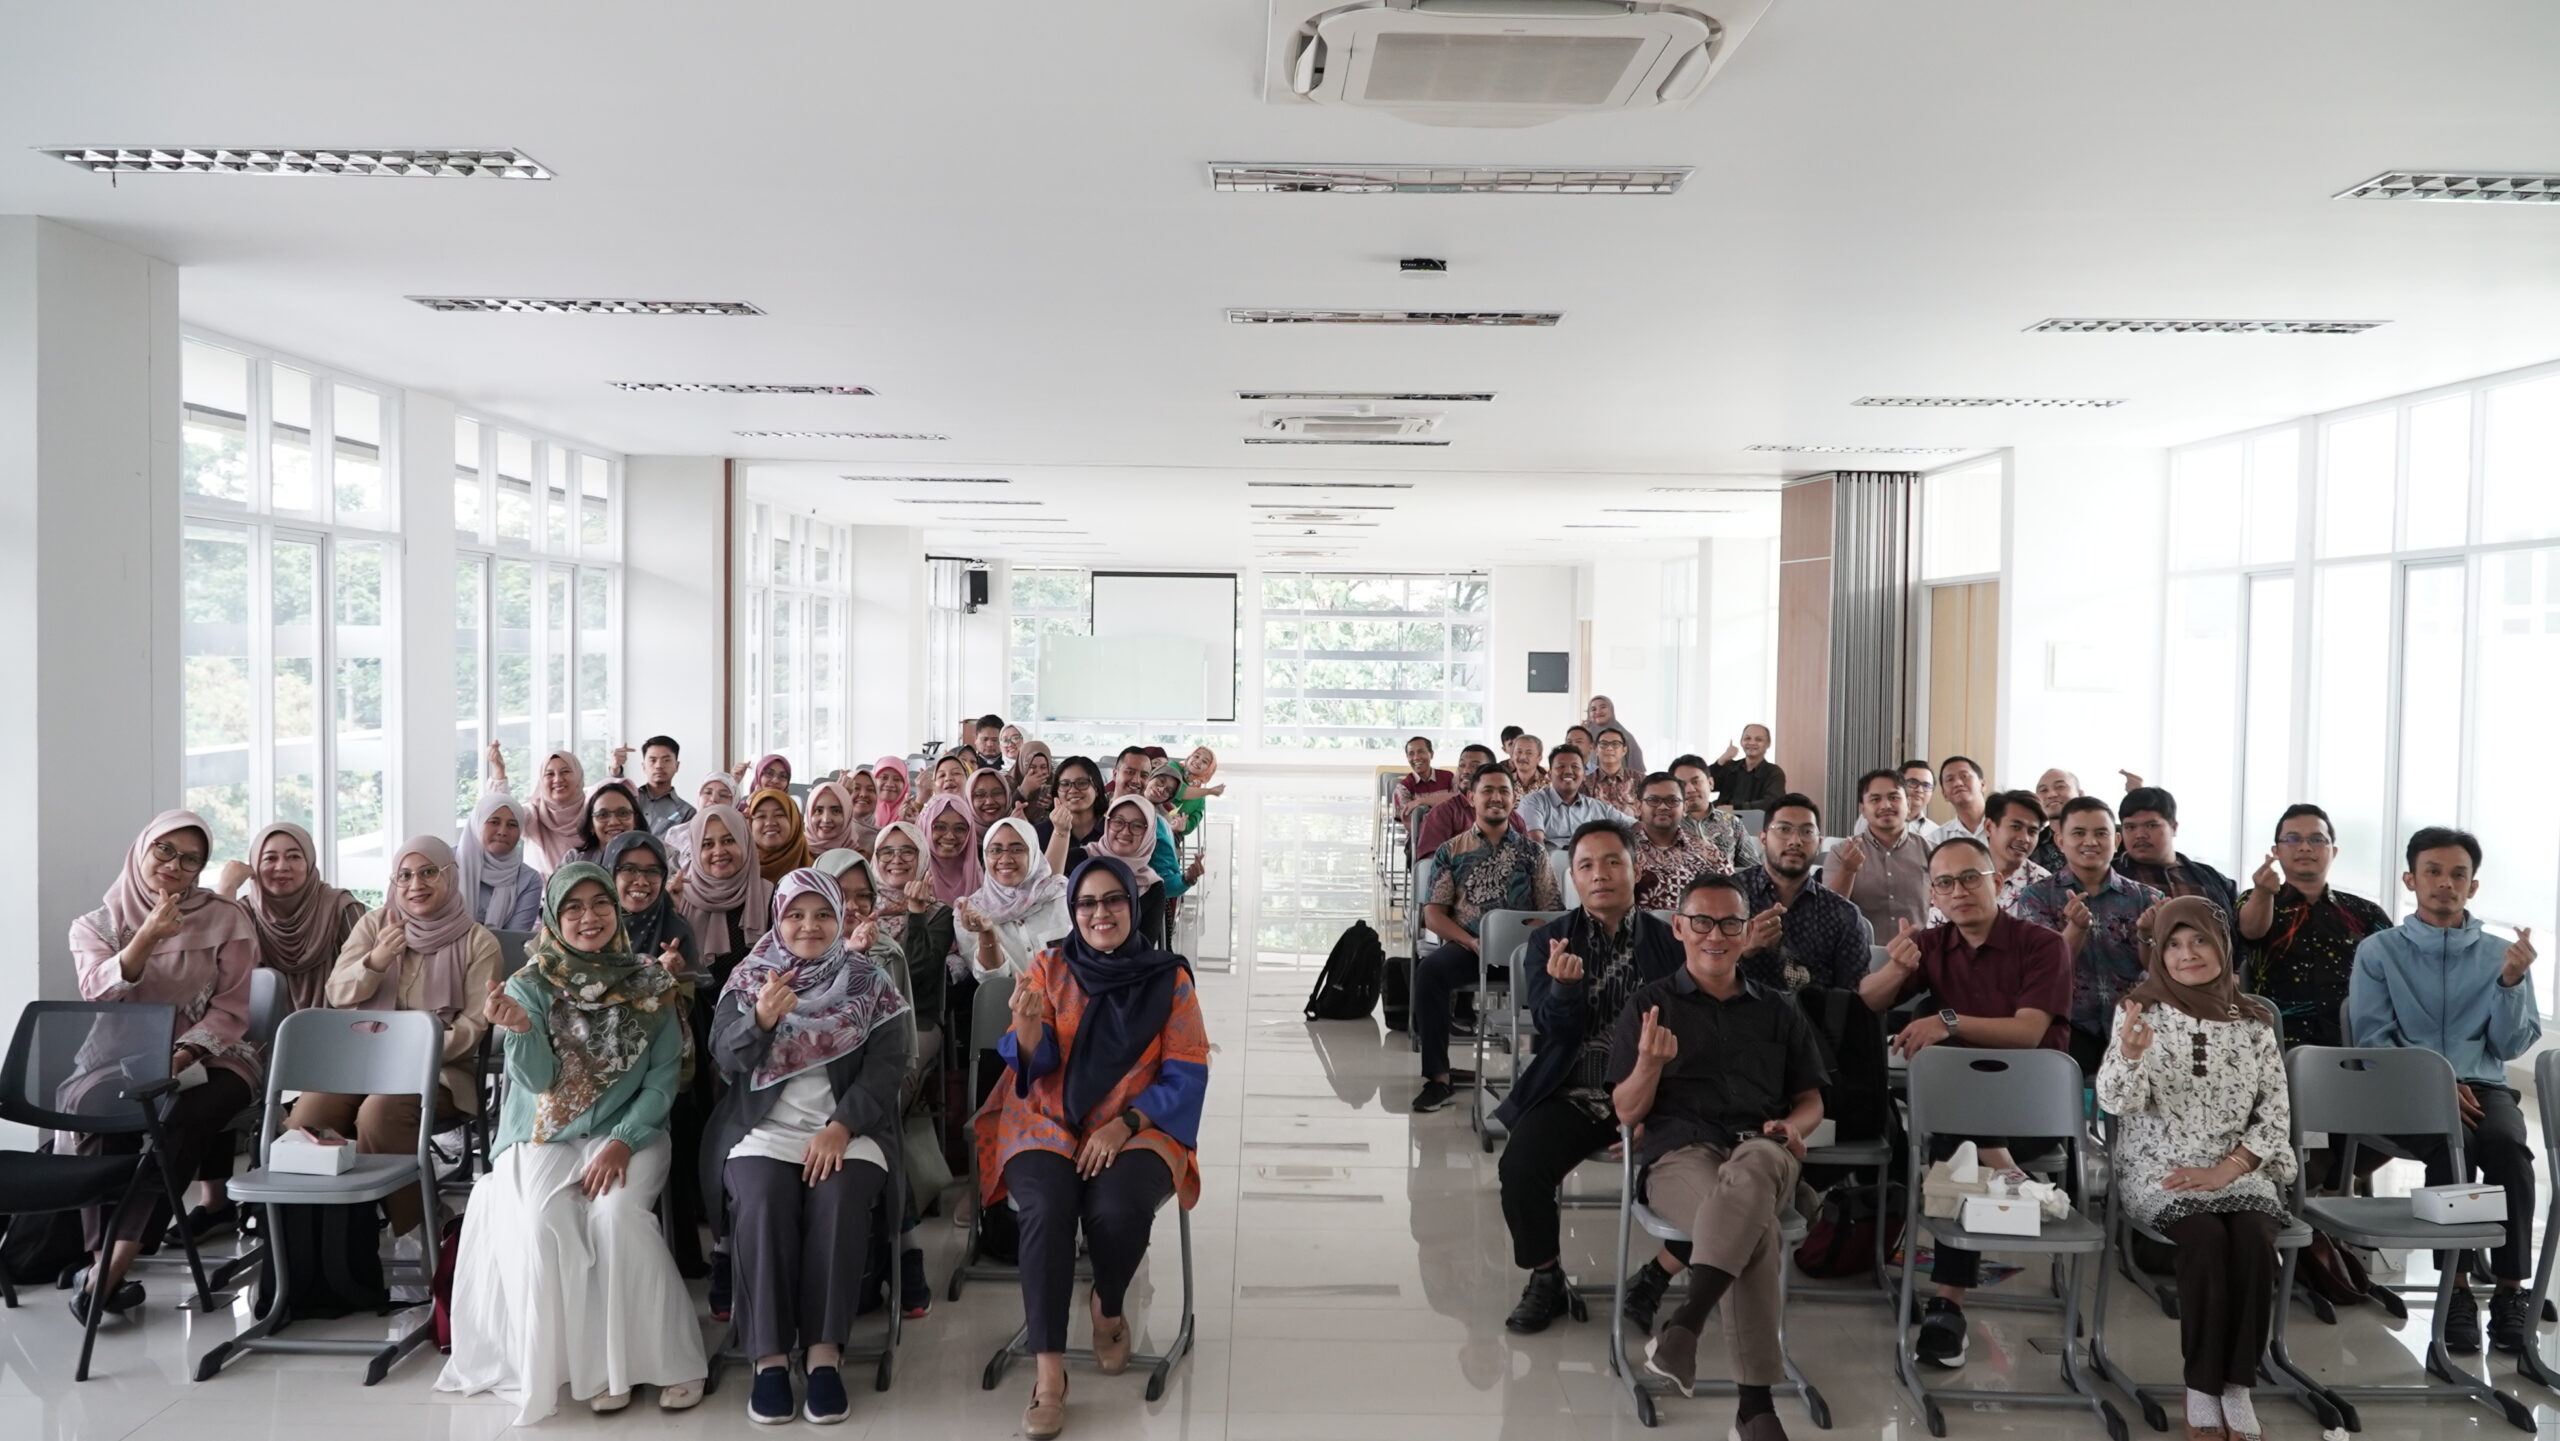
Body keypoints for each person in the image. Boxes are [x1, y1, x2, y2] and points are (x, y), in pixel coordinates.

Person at [438, 862, 706, 1421]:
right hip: (545, 1133)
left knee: (616, 1218)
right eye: (573, 908)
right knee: (545, 1223)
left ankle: (676, 1361)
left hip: (630, 1131)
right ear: (555, 918)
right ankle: (597, 1370)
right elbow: (537, 1084)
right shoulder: (530, 984)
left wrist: (624, 1141)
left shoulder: (651, 984)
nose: (590, 918)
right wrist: (519, 1028)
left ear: (616, 907)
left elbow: (662, 1083)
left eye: (600, 904)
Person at [972, 856, 1210, 1441]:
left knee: (1117, 1206)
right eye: (1087, 904)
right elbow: (1036, 1062)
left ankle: (1107, 1305)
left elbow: (1186, 1072)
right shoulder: (1050, 967)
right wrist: (1026, 1030)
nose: (1100, 913)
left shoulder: (1169, 980)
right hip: (1046, 1118)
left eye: (1113, 901)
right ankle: (1049, 1376)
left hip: (1140, 1121)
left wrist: (1124, 1124)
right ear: (1073, 911)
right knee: (1049, 1211)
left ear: (1133, 903)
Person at [1614, 874, 1828, 1441]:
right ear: (1679, 928)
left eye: (1731, 923)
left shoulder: (1778, 1009)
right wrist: (1649, 1066)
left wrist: (1792, 1126)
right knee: (1753, 1231)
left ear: (1746, 930)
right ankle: (1754, 1408)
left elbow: (1811, 1101)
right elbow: (1629, 1113)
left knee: (1756, 1167)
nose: (1717, 935)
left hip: (1764, 1146)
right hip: (1680, 1154)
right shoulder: (1650, 1005)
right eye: (1702, 922)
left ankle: (1687, 1321)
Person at [705, 868, 913, 1427]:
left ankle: (824, 1356)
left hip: (850, 1130)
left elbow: (889, 1067)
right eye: (795, 914)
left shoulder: (869, 981)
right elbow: (726, 1059)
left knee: (839, 1199)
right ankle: (769, 1360)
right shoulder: (750, 980)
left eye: (822, 913)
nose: (809, 926)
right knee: (765, 1201)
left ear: (840, 918)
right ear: (778, 918)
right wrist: (763, 1019)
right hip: (765, 1132)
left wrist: (842, 1126)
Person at [1858, 836, 2074, 1370]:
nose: (1959, 892)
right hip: (1962, 1117)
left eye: (1971, 878)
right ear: (1934, 893)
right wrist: (1895, 966)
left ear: (1996, 882)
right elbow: (1869, 1000)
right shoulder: (1933, 945)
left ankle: (1947, 1302)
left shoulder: (2043, 945)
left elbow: (2028, 1033)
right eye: (1945, 883)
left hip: (2029, 1111)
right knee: (1952, 1130)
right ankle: (1998, 1178)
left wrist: (1947, 1021)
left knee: (1953, 1140)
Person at [2098, 897, 2296, 1441]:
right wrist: (2131, 1056)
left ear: (2223, 945)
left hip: (2239, 1167)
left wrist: (2229, 1168)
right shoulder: (2138, 1009)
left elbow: (2276, 1111)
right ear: (2158, 952)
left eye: (2200, 941)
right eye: (2175, 944)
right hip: (2160, 1166)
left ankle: (2238, 1385)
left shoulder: (2255, 1019)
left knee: (2255, 1238)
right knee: (2205, 1239)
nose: (2188, 954)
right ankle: (2203, 1386)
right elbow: (2114, 1103)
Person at [2349, 826, 2541, 1356]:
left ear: (2472, 887)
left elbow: (2506, 1046)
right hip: (2405, 1084)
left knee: (2507, 1149)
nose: (2445, 884)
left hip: (2483, 1084)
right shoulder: (2378, 950)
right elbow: (2371, 1036)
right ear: (2411, 879)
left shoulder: (2503, 953)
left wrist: (2509, 984)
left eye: (2459, 874)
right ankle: (2454, 1290)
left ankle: (2509, 1292)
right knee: (2452, 1149)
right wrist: (2433, 1080)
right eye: (2433, 872)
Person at [66, 812, 260, 1321]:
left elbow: (232, 1008)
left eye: (190, 858)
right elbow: (99, 992)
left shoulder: (226, 918)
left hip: (213, 1056)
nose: (176, 866)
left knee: (177, 1115)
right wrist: (147, 935)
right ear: (142, 851)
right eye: (165, 852)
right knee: (94, 1108)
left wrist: (186, 1052)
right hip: (117, 1056)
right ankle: (102, 1261)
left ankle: (109, 1269)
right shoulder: (95, 925)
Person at [1492, 821, 1683, 1334]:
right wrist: (1562, 991)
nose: (1601, 875)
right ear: (1572, 877)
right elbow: (1554, 1034)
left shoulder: (1671, 942)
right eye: (1587, 865)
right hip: (1576, 1091)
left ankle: (1657, 1277)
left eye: (1613, 862)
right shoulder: (1549, 942)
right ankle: (1546, 1276)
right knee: (1520, 1169)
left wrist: (1650, 1111)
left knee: (1721, 1176)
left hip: (1657, 1095)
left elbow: (1688, 1033)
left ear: (1635, 869)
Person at [288, 835, 498, 1237]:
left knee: (379, 1116)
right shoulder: (374, 925)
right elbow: (337, 993)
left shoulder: (477, 941)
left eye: (428, 873)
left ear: (450, 877)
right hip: (359, 1066)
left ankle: (418, 1228)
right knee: (308, 1119)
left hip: (436, 1073)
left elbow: (473, 1028)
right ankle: (334, 1242)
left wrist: (408, 1056)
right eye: (404, 875)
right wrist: (376, 961)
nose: (415, 885)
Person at [1412, 764, 1561, 1115]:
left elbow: (1552, 911)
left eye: (1504, 791)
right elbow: (1434, 914)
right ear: (1471, 798)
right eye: (1488, 791)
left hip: (1524, 952)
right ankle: (1438, 1077)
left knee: (1568, 976)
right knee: (1430, 972)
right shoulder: (1452, 851)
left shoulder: (1533, 853)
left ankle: (1551, 1075)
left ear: (1514, 799)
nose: (1496, 798)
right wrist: (1472, 942)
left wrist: (1521, 935)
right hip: (1471, 948)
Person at [606, 829, 710, 1275]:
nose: (640, 881)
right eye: (628, 869)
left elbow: (683, 1016)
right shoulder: (591, 926)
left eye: (652, 871)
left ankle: (676, 1255)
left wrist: (668, 981)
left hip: (661, 1067)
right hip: (597, 1069)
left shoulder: (674, 930)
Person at [2013, 798, 2165, 1071]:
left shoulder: (2148, 898)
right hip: (2069, 1027)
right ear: (2060, 841)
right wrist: (2076, 929)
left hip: (2135, 1025)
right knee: (2067, 1107)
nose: (2090, 841)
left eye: (2101, 833)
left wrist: (2146, 933)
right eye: (2079, 833)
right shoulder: (2037, 897)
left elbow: (2160, 972)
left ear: (2116, 840)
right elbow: (2048, 972)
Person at [2237, 804, 2391, 1049]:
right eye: (2293, 839)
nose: (2305, 847)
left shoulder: (2365, 912)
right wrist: (2263, 892)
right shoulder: (2256, 899)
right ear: (2276, 851)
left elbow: (2393, 973)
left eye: (2317, 839)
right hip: (2276, 1043)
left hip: (2356, 1041)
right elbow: (2251, 931)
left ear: (2334, 851)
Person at [213, 820, 366, 1013]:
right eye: (270, 858)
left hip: (337, 1031)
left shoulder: (341, 908)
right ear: (254, 866)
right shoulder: (244, 913)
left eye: (294, 856)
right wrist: (226, 889)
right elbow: (214, 975)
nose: (282, 867)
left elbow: (364, 977)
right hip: (256, 1037)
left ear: (309, 863)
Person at [1732, 795, 1874, 993]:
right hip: (1737, 1017)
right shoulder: (1728, 897)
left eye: (1807, 832)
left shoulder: (1843, 914)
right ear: (1763, 838)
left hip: (1813, 1020)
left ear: (1819, 842)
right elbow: (1698, 972)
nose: (1795, 841)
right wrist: (1745, 948)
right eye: (1784, 829)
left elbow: (1851, 998)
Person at [1823, 769, 1932, 938]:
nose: (1885, 805)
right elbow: (1830, 912)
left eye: (1894, 797)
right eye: (1875, 799)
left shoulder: (1930, 851)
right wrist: (1848, 870)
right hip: (1862, 956)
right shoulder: (1841, 852)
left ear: (1908, 804)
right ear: (1863, 809)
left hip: (1922, 953)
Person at [675, 804, 774, 989]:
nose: (719, 851)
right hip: (693, 1012)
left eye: (729, 840)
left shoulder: (770, 897)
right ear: (695, 850)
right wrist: (671, 911)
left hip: (754, 1010)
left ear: (745, 842)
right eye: (707, 844)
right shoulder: (680, 896)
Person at [960, 817, 1072, 978]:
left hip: (1068, 1001)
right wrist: (987, 935)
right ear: (985, 856)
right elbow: (991, 981)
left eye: (1017, 849)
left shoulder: (1062, 895)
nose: (1005, 859)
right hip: (1008, 1002)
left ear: (1033, 852)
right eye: (996, 850)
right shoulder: (971, 912)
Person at [2116, 787, 2240, 920]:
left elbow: (2244, 931)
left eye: (2151, 825)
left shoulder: (2213, 878)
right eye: (2130, 827)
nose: (2140, 835)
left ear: (2174, 828)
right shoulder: (2110, 878)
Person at [1634, 771, 1732, 909]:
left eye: (1672, 801)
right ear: (1638, 807)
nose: (1663, 807)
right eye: (1654, 800)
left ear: (1685, 807)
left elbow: (1730, 898)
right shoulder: (1622, 851)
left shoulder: (1708, 854)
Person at [1949, 790, 2050, 918]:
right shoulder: (1957, 874)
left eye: (2032, 831)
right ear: (1989, 827)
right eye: (2015, 827)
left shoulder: (2045, 884)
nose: (2025, 839)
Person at [1091, 794, 1174, 947]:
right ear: (1107, 823)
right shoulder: (1079, 861)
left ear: (1149, 833)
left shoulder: (1151, 886)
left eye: (1137, 826)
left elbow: (1143, 948)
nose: (1125, 832)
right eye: (1118, 822)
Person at [1412, 745, 1524, 856]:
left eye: (1475, 766)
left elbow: (1530, 858)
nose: (1466, 771)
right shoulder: (1443, 813)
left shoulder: (1513, 817)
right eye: (1461, 765)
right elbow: (1430, 863)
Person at [458, 787, 544, 931]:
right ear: (477, 823)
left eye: (512, 825)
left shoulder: (529, 879)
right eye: (494, 822)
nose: (503, 831)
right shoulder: (448, 863)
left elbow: (514, 939)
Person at [499, 747, 589, 872]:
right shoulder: (532, 814)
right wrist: (499, 774)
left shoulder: (594, 813)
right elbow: (504, 814)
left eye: (565, 772)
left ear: (579, 776)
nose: (558, 779)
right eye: (550, 774)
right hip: (539, 891)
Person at [1518, 743, 1621, 850]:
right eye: (1561, 766)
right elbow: (1535, 844)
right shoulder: (1533, 802)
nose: (1568, 771)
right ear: (1549, 774)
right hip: (1551, 863)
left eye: (1575, 766)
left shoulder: (1597, 807)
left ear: (1584, 773)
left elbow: (1632, 825)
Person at [1671, 753, 1758, 868]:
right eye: (1681, 784)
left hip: (1726, 883)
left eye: (1696, 781)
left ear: (1710, 783)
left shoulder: (1732, 823)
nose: (1690, 789)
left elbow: (1754, 871)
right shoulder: (1667, 825)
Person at [613, 735, 697, 839]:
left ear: (677, 766)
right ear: (643, 766)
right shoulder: (629, 798)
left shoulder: (687, 812)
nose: (659, 766)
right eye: (653, 760)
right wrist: (615, 769)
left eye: (666, 760)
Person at [1042, 755, 1107, 874]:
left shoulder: (1111, 831)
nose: (1073, 790)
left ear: (1096, 789)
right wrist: (1060, 831)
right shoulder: (1040, 833)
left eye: (1082, 783)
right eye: (1065, 784)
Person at [565, 778, 643, 867]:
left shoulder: (655, 858)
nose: (614, 822)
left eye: (623, 813)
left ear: (635, 819)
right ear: (591, 824)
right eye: (603, 815)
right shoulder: (573, 861)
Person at [1708, 725, 1786, 814]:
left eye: (1758, 739)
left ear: (1768, 744)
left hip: (1757, 824)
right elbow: (1706, 785)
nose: (1752, 743)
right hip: (1723, 823)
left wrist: (1735, 808)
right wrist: (1721, 760)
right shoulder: (1730, 767)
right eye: (1747, 738)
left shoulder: (1774, 772)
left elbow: (1772, 802)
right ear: (1741, 742)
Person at [746, 787, 813, 885]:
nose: (769, 823)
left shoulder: (816, 871)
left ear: (794, 822)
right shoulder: (738, 870)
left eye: (779, 815)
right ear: (750, 823)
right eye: (761, 816)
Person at [1392, 735, 1456, 827]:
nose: (1416, 757)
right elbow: (1409, 824)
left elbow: (1459, 801)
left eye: (1421, 752)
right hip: (1420, 837)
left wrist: (1420, 802)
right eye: (1411, 754)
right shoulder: (1403, 787)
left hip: (1451, 834)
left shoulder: (1449, 777)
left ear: (1432, 754)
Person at [1926, 757, 1989, 846]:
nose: (1957, 783)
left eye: (1964, 776)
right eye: (1950, 779)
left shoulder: (2003, 826)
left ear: (1982, 785)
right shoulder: (1936, 840)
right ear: (1944, 794)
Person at [2030, 769, 2080, 874]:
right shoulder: (2033, 843)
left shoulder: (2108, 835)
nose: (2051, 795)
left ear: (2080, 794)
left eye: (2060, 787)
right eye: (2043, 790)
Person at [1586, 695, 1646, 776]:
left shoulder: (1626, 737)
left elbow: (1638, 773)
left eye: (1603, 707)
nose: (1598, 712)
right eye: (1593, 709)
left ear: (1611, 710)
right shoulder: (1583, 737)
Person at [1586, 727, 1642, 813]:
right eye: (1603, 744)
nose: (1609, 748)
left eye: (1615, 744)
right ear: (1596, 750)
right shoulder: (1586, 782)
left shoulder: (1640, 780)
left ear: (1624, 750)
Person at [802, 779, 856, 858]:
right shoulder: (795, 854)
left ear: (848, 815)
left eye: (836, 811)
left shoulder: (860, 859)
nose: (826, 819)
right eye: (818, 810)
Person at [1013, 741, 1058, 828]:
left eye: (1043, 767)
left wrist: (1053, 806)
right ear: (1022, 765)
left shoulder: (1057, 783)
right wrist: (1023, 790)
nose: (1039, 772)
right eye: (1032, 767)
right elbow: (1006, 811)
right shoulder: (1008, 782)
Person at [842, 767, 884, 853]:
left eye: (870, 789)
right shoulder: (835, 833)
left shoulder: (884, 836)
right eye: (856, 788)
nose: (863, 794)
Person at [970, 766, 1015, 838]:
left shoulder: (1024, 832)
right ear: (969, 800)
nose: (989, 801)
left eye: (997, 793)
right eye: (980, 795)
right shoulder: (960, 838)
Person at [870, 757, 912, 833]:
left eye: (897, 779)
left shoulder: (911, 815)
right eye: (884, 777)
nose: (889, 784)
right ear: (873, 780)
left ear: (905, 784)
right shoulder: (862, 809)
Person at [1505, 732, 1548, 798]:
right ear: (1512, 755)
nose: (1523, 757)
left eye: (1529, 753)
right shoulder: (1504, 782)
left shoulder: (1550, 785)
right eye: (1519, 752)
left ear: (1539, 758)